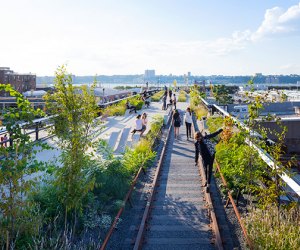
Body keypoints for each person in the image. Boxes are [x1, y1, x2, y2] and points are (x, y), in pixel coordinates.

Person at [194, 128, 223, 192]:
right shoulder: (196, 143)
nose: (198, 140)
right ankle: (207, 181)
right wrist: (196, 160)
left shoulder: (205, 138)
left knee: (209, 170)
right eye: (197, 139)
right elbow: (196, 152)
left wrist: (219, 131)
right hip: (204, 158)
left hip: (211, 156)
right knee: (205, 170)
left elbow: (213, 135)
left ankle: (208, 186)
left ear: (201, 136)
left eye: (199, 138)